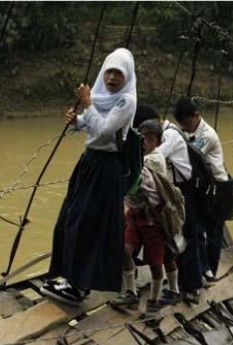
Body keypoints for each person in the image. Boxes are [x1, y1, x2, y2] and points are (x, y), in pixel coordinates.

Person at [41, 48, 137, 305]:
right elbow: (92, 125)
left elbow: (106, 130)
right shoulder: (101, 97)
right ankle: (70, 276)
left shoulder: (126, 101)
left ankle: (79, 285)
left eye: (118, 73)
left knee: (86, 223)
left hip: (107, 168)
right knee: (69, 218)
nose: (112, 78)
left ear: (127, 76)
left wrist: (87, 104)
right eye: (109, 72)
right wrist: (78, 121)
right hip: (89, 162)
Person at [110, 120, 172, 313]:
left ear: (158, 143)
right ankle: (131, 293)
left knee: (154, 262)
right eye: (142, 138)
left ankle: (153, 299)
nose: (144, 142)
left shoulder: (153, 160)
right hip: (135, 213)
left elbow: (133, 180)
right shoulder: (139, 157)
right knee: (125, 250)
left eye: (150, 139)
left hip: (153, 218)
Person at [173, 97, 232, 283]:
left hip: (219, 189)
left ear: (196, 116)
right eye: (181, 124)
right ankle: (202, 269)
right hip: (205, 188)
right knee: (196, 229)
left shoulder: (207, 135)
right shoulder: (186, 131)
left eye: (187, 122)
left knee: (214, 234)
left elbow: (189, 157)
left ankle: (210, 271)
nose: (184, 127)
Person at [159, 118, 207, 305]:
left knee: (186, 238)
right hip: (177, 190)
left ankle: (191, 286)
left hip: (183, 192)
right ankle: (184, 285)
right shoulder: (169, 132)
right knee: (179, 238)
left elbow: (154, 157)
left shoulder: (169, 135)